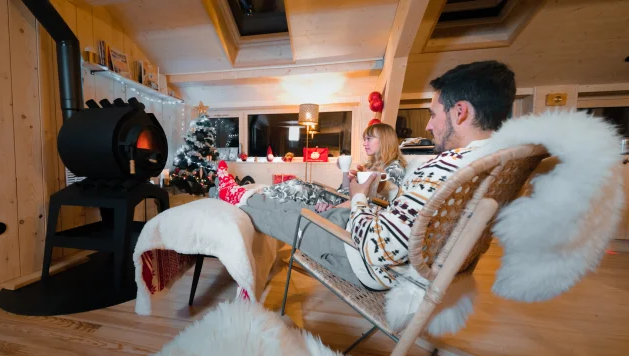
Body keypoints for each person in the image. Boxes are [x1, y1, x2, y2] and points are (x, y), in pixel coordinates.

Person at [217, 60, 516, 290]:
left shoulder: (448, 168)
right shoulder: (492, 163)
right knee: (298, 202)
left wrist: (358, 199)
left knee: (280, 212)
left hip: (366, 263)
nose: (428, 126)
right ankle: (240, 193)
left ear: (460, 112)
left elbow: (378, 248)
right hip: (388, 247)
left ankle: (235, 196)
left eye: (433, 114)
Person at [257, 123, 407, 212]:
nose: (364, 143)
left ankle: (254, 197)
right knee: (297, 183)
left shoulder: (394, 168)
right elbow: (347, 191)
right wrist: (345, 170)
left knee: (297, 188)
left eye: (369, 139)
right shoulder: (370, 164)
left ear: (384, 140)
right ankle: (255, 194)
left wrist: (334, 210)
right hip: (341, 198)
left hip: (346, 206)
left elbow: (374, 202)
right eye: (364, 139)